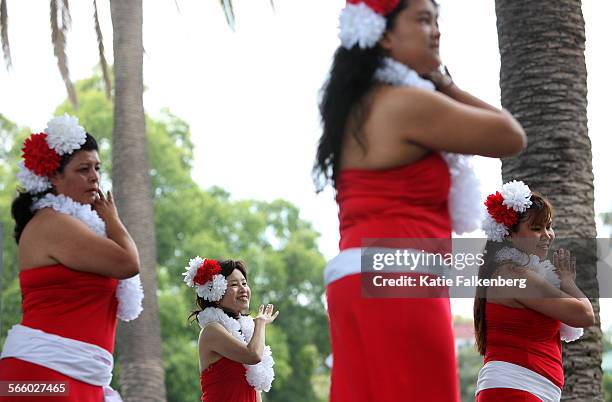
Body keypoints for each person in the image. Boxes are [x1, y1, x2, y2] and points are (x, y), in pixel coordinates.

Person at [313, 0, 527, 401]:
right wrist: (444, 81)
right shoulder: (405, 103)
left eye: (437, 20)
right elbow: (510, 137)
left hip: (359, 282)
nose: (436, 31)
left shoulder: (358, 105)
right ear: (386, 34)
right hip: (399, 279)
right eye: (423, 19)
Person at [0, 114, 143, 401]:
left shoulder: (74, 226)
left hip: (80, 375)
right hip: (43, 374)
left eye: (97, 168)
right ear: (53, 176)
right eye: (83, 169)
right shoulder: (52, 223)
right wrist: (112, 220)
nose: (94, 177)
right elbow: (128, 263)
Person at [474, 180, 596, 401]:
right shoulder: (516, 275)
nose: (548, 235)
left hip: (524, 389)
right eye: (537, 229)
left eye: (549, 226)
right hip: (516, 390)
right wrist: (568, 282)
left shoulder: (507, 272)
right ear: (509, 234)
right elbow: (585, 315)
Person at [183, 257, 278, 402]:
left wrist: (257, 326)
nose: (243, 289)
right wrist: (260, 323)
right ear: (216, 293)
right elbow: (253, 355)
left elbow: (254, 391)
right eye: (234, 284)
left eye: (244, 283)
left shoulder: (245, 332)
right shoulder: (211, 331)